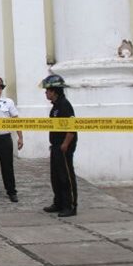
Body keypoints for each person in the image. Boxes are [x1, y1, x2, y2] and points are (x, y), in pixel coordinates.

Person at [41, 73, 78, 217]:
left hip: (64, 146)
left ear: (54, 91)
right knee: (55, 176)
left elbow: (72, 127)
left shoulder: (64, 105)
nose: (46, 93)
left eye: (47, 91)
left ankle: (70, 206)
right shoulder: (56, 106)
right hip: (56, 146)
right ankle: (59, 203)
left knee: (66, 176)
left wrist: (65, 143)